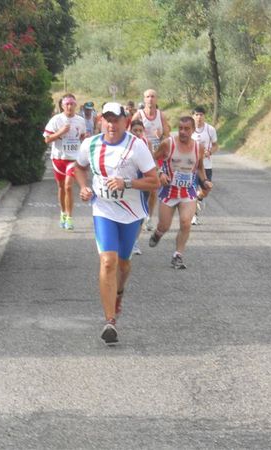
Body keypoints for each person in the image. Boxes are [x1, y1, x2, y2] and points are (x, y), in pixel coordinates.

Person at [74, 102, 160, 345]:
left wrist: (128, 184)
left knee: (123, 263)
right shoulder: (90, 144)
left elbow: (154, 181)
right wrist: (84, 187)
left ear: (125, 121)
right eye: (107, 120)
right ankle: (109, 321)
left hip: (131, 214)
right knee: (108, 261)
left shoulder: (137, 146)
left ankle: (119, 294)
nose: (111, 125)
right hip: (103, 210)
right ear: (101, 121)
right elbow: (78, 169)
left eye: (116, 120)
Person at [149, 116, 212, 269]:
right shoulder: (168, 144)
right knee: (164, 226)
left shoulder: (199, 148)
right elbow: (151, 160)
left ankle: (178, 255)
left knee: (185, 222)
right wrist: (160, 173)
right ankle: (158, 233)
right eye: (180, 128)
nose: (183, 132)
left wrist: (204, 182)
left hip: (187, 192)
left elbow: (199, 168)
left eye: (187, 129)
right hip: (169, 191)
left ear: (193, 130)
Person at [43, 93, 86, 230]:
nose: (69, 106)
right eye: (67, 104)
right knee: (61, 188)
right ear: (62, 105)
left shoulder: (80, 120)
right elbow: (47, 139)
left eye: (72, 104)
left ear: (75, 105)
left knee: (68, 186)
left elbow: (83, 137)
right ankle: (62, 212)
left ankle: (69, 217)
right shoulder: (56, 120)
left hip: (73, 159)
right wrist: (60, 132)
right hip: (58, 158)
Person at [130, 89, 171, 231]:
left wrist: (160, 136)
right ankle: (136, 215)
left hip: (156, 156)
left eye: (153, 96)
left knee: (154, 189)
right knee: (139, 188)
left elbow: (167, 136)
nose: (150, 99)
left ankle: (148, 217)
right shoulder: (139, 115)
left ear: (156, 99)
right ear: (144, 99)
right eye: (147, 96)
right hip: (140, 156)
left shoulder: (161, 115)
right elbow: (130, 133)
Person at [128, 119, 154, 256]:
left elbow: (150, 163)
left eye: (140, 130)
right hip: (128, 182)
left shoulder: (146, 143)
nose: (137, 133)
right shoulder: (125, 143)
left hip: (142, 182)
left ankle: (135, 242)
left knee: (140, 214)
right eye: (135, 130)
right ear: (130, 130)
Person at [191, 106, 219, 225]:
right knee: (191, 192)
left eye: (201, 115)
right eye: (197, 115)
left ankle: (200, 198)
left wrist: (210, 152)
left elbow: (216, 145)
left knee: (206, 189)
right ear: (193, 116)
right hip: (191, 167)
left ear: (204, 116)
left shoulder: (210, 129)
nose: (199, 117)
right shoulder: (188, 129)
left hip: (206, 165)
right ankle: (194, 216)